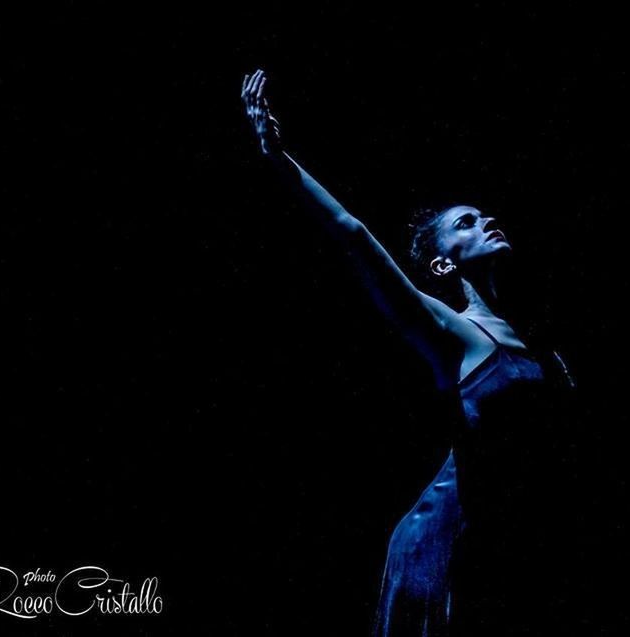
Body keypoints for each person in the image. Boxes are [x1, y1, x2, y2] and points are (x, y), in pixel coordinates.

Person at [241, 69, 584, 635]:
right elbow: (353, 234)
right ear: (444, 263)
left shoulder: (548, 350)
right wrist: (280, 159)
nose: (486, 220)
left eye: (485, 214)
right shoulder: (452, 330)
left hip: (516, 547)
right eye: (465, 224)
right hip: (447, 547)